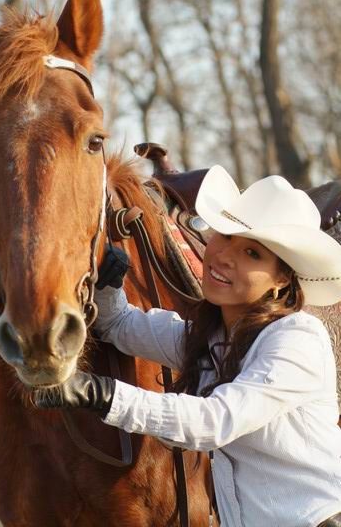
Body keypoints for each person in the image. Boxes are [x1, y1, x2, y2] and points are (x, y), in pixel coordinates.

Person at [37, 165, 341, 527]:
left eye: (253, 254)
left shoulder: (296, 340)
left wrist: (104, 395)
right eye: (225, 235)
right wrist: (107, 284)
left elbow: (215, 421)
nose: (225, 255)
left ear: (281, 280)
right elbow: (121, 325)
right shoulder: (214, 337)